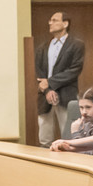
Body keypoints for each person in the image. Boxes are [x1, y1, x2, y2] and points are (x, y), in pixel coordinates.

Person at [34, 10, 84, 146]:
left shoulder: (76, 45)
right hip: (45, 97)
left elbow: (74, 70)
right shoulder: (43, 47)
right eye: (50, 20)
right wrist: (47, 90)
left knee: (69, 136)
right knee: (44, 138)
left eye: (55, 20)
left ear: (65, 23)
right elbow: (39, 73)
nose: (50, 23)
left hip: (66, 95)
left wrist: (50, 83)